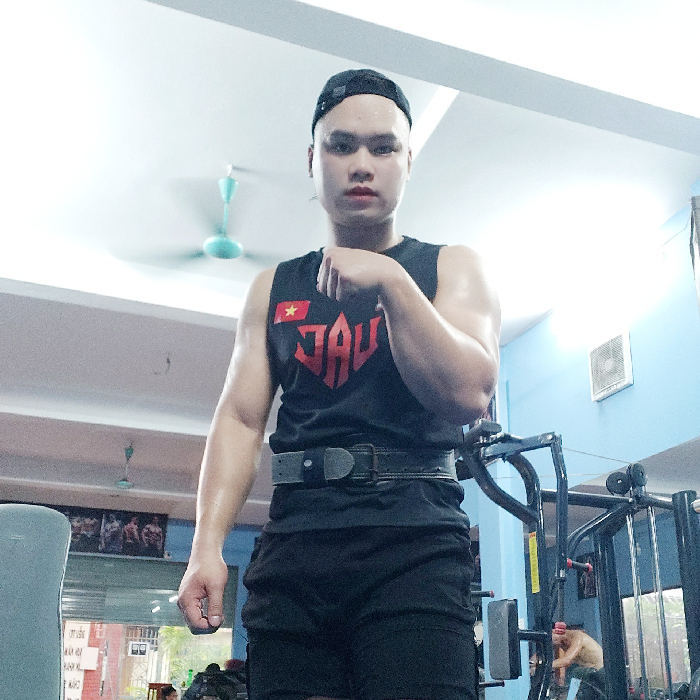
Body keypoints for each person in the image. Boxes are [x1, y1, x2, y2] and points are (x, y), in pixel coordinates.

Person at [177, 68, 501, 700]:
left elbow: (467, 395)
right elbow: (240, 420)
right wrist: (205, 546)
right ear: (313, 159)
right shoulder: (273, 287)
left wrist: (392, 282)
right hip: (296, 547)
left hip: (414, 546)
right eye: (342, 145)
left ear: (408, 161)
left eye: (383, 148)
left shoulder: (450, 267)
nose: (361, 164)